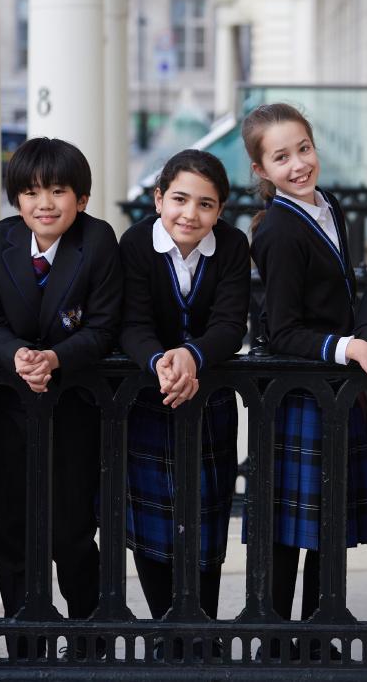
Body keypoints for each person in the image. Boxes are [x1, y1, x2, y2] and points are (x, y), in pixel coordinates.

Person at [0, 137, 122, 641]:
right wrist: (17, 355)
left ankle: (88, 628)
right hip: (12, 400)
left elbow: (103, 328)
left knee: (72, 526)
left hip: (75, 401)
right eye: (32, 192)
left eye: (59, 191)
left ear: (81, 198)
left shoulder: (97, 241)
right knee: (12, 519)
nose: (46, 204)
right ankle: (22, 626)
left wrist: (55, 358)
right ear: (17, 198)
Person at [243, 102, 367, 656]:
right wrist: (347, 345)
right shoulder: (276, 231)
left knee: (329, 523)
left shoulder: (330, 206)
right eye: (281, 157)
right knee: (288, 528)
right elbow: (280, 329)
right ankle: (274, 641)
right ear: (262, 170)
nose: (298, 164)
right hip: (300, 390)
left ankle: (319, 636)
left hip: (338, 390)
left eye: (303, 149)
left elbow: (347, 289)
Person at [119, 149, 250, 636]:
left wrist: (192, 357)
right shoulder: (134, 244)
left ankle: (203, 632)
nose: (190, 214)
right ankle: (165, 633)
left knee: (206, 517)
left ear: (220, 210)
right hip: (147, 398)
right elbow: (130, 324)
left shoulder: (233, 246)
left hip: (209, 399)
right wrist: (161, 362)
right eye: (179, 199)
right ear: (158, 198)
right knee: (152, 524)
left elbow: (230, 323)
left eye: (206, 204)